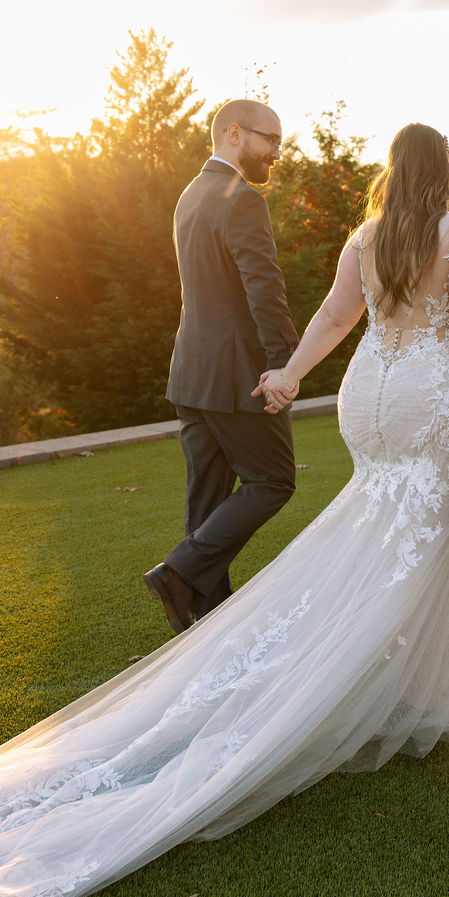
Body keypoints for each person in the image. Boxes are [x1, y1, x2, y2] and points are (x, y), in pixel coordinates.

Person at [0, 123, 449, 897]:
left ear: (394, 171)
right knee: (420, 539)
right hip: (434, 404)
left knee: (378, 532)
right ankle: (377, 688)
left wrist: (290, 376)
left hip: (371, 401)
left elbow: (331, 316)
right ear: (447, 172)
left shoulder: (366, 235)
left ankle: (396, 684)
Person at [144, 98, 299, 632]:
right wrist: (285, 364)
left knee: (207, 502)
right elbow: (265, 289)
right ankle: (178, 572)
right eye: (268, 140)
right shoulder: (241, 199)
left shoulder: (191, 194)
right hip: (239, 375)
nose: (275, 153)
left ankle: (206, 631)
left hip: (190, 372)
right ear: (233, 134)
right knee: (274, 480)